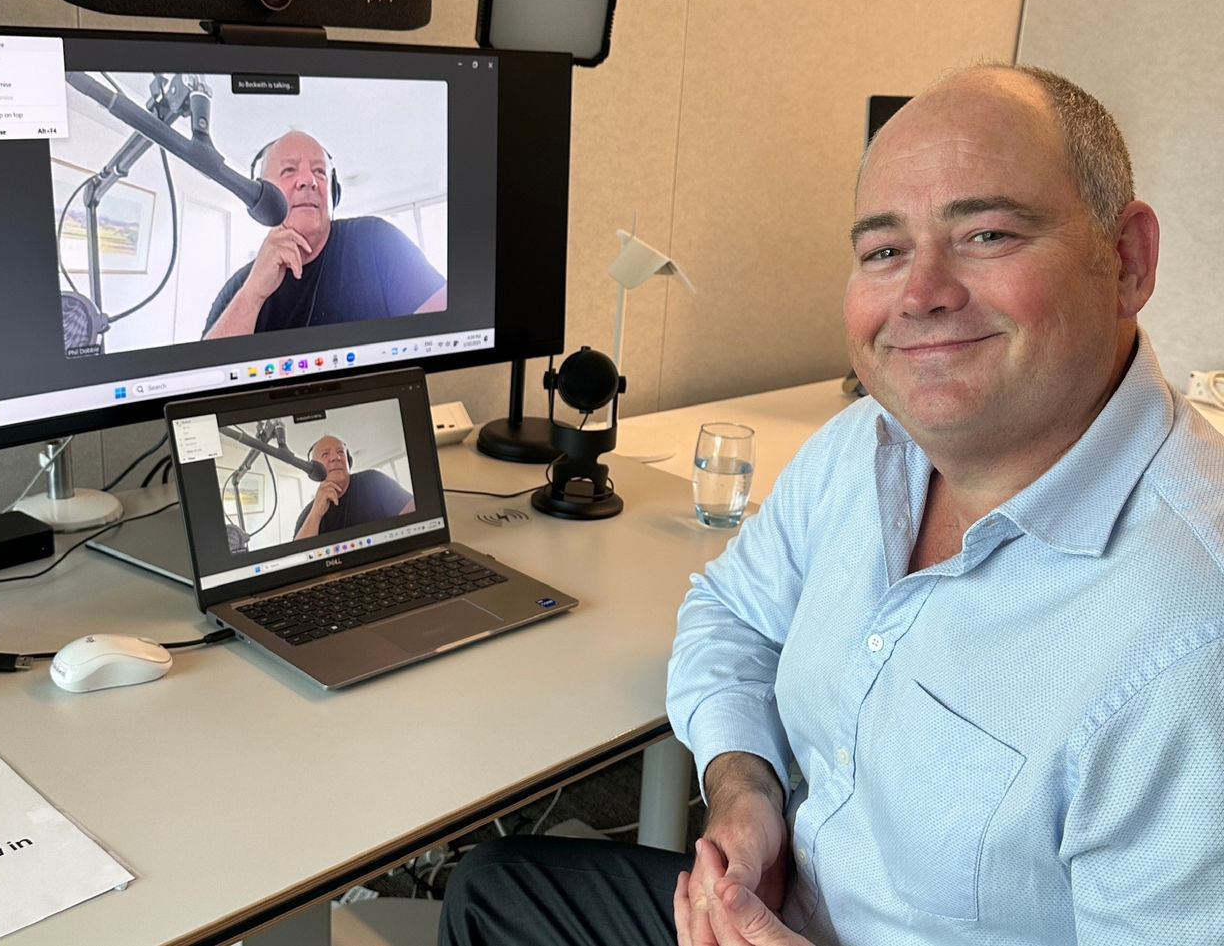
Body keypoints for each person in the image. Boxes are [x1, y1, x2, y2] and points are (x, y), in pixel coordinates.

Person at [438, 64, 1224, 946]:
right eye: (883, 251)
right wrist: (746, 793)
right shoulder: (869, 447)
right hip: (785, 904)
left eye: (988, 233)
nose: (921, 293)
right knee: (495, 888)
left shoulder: (1192, 643)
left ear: (1128, 260)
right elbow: (729, 612)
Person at [202, 131, 447, 339]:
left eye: (320, 172)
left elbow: (447, 337)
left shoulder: (377, 242)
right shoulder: (239, 289)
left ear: (333, 193)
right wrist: (253, 293)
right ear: (259, 196)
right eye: (289, 170)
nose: (309, 180)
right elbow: (207, 381)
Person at [293, 434, 415, 539]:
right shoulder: (308, 514)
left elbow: (415, 521)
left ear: (349, 461)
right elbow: (297, 558)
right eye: (325, 454)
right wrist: (315, 514)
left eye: (341, 452)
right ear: (314, 470)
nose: (336, 457)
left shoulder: (374, 481)